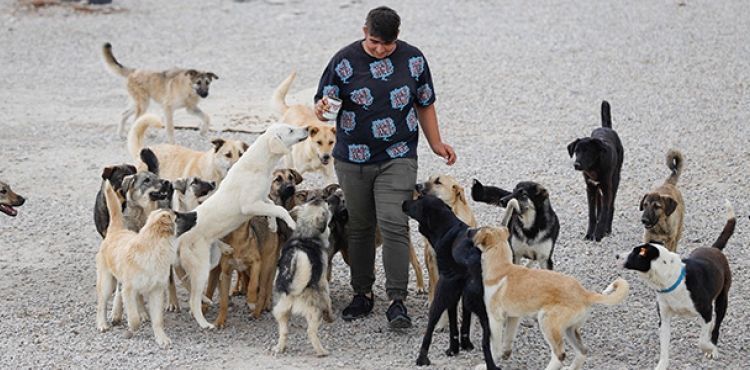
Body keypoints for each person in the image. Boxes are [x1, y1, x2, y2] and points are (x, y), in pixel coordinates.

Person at [314, 6, 456, 329]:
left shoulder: (414, 60)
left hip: (398, 153)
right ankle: (362, 293)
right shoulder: (343, 61)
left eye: (388, 45)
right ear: (365, 31)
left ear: (398, 38)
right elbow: (323, 107)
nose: (380, 49)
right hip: (352, 158)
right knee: (360, 226)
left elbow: (425, 101)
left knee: (394, 222)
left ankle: (397, 300)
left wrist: (436, 143)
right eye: (375, 41)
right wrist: (321, 110)